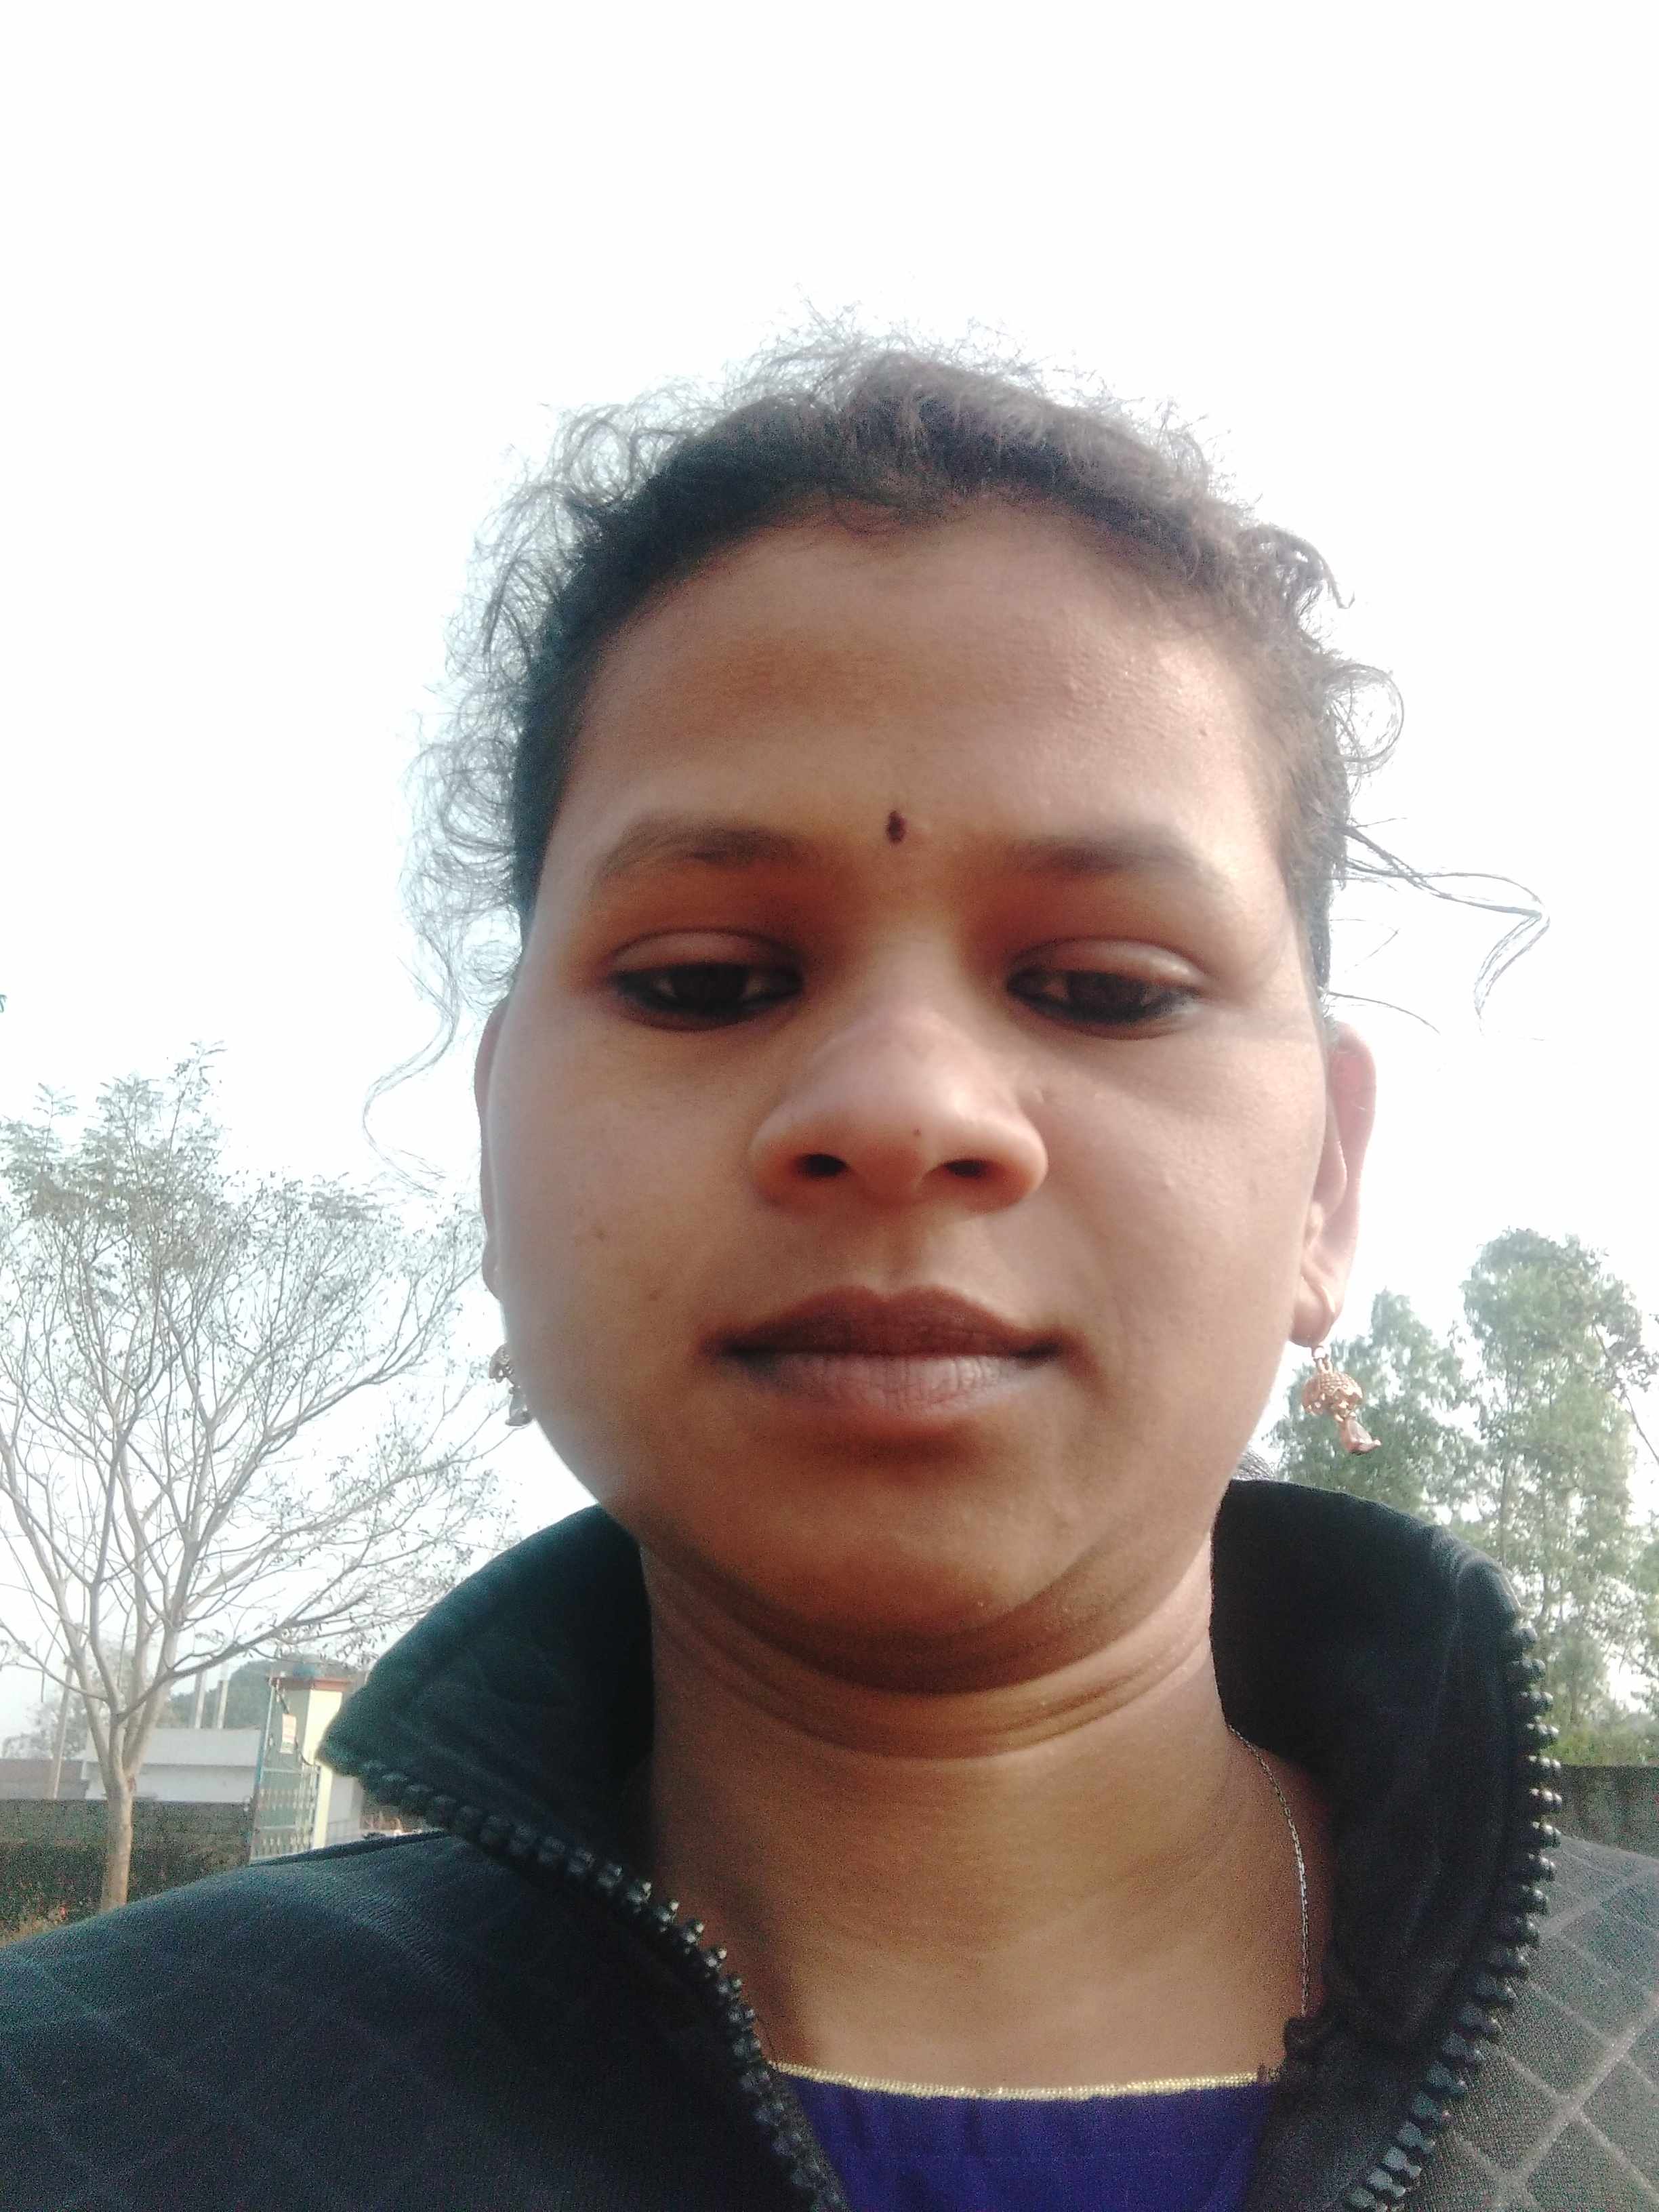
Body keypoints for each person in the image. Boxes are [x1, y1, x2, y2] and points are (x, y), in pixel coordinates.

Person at [3, 338, 1655, 2212]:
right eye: (706, 979)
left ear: (1326, 1183)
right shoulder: (82, 2117)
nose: (900, 1108)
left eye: (1103, 988)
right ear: (497, 1152)